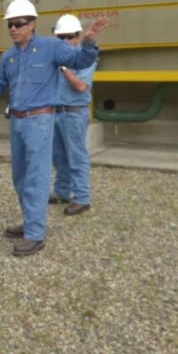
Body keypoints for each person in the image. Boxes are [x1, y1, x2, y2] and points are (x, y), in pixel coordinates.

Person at [0, 0, 102, 257]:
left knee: (36, 177)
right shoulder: (9, 56)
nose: (14, 28)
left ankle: (35, 235)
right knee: (20, 177)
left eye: (19, 23)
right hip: (16, 120)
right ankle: (30, 221)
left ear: (32, 24)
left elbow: (81, 60)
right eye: (10, 25)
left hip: (39, 121)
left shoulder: (51, 47)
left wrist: (89, 41)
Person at [49, 14, 104, 216]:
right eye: (61, 37)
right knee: (59, 156)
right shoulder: (54, 57)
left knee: (76, 155)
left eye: (69, 36)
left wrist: (63, 68)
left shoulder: (84, 58)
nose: (65, 41)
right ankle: (62, 192)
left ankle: (82, 198)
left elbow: (81, 86)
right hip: (56, 112)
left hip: (74, 113)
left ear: (77, 36)